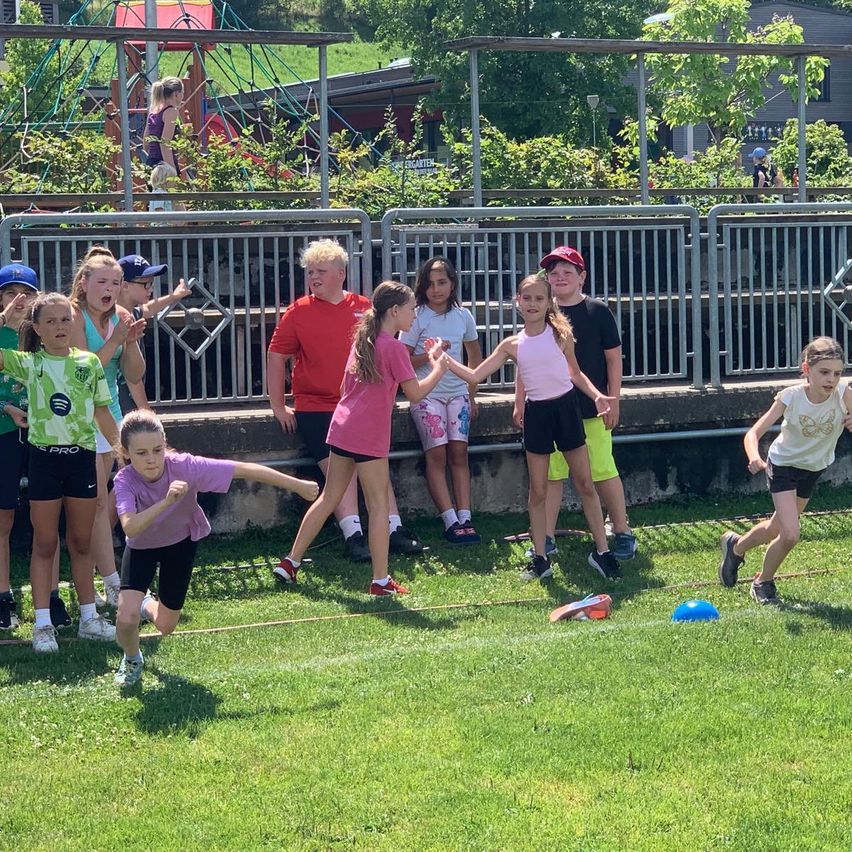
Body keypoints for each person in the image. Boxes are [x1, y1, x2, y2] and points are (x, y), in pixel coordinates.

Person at [112, 410, 319, 687]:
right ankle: (133, 658)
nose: (151, 459)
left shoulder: (185, 465)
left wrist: (297, 485)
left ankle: (147, 602)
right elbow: (130, 527)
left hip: (180, 545)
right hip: (142, 548)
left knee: (166, 626)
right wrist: (166, 502)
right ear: (126, 453)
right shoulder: (125, 480)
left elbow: (242, 469)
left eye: (157, 450)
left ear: (165, 444)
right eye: (141, 453)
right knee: (126, 618)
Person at [440, 273, 620, 582]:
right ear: (518, 302)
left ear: (549, 302)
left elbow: (575, 374)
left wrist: (599, 396)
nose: (533, 304)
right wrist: (443, 359)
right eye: (528, 298)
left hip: (566, 411)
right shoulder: (512, 344)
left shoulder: (561, 335)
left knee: (586, 484)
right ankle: (540, 558)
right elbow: (474, 376)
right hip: (537, 415)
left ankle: (601, 552)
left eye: (539, 298)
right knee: (538, 490)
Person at [274, 281, 447, 596]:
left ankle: (290, 562)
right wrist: (438, 365)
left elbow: (343, 390)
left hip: (342, 427)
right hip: (368, 435)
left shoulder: (361, 340)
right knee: (379, 504)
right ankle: (380, 580)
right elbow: (416, 392)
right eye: (410, 310)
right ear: (394, 311)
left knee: (330, 497)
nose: (413, 316)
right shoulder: (393, 347)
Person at [267, 239, 424, 562]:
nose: (313, 278)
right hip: (315, 408)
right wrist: (278, 405)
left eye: (321, 271)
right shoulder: (298, 311)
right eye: (310, 272)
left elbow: (386, 359)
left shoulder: (364, 308)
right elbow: (276, 355)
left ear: (341, 273)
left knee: (372, 477)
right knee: (345, 482)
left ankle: (393, 529)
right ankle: (354, 534)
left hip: (356, 410)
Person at [0, 292, 119, 652]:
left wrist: (121, 447)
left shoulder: (88, 363)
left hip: (81, 458)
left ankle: (89, 618)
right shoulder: (29, 364)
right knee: (45, 542)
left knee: (82, 542)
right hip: (45, 461)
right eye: (49, 321)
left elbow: (101, 411)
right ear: (35, 328)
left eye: (65, 319)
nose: (59, 327)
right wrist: (3, 318)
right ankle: (42, 625)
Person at [514, 247, 637, 565]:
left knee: (602, 472)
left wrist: (613, 399)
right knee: (551, 478)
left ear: (582, 277)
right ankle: (546, 538)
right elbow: (524, 362)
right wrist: (519, 402)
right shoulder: (542, 316)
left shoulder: (597, 311)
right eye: (554, 273)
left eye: (568, 272)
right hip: (548, 409)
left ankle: (621, 531)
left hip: (590, 411)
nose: (560, 277)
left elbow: (613, 358)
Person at [719, 337, 852, 605]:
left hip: (813, 468)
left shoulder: (844, 392)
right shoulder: (790, 396)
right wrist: (755, 456)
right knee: (790, 534)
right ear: (806, 370)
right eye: (824, 372)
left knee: (774, 528)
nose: (831, 379)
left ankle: (736, 547)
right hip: (783, 467)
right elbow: (753, 433)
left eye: (837, 373)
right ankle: (762, 582)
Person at [69, 249, 147, 607]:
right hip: (76, 418)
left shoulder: (121, 316)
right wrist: (117, 340)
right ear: (84, 284)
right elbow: (85, 372)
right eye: (102, 282)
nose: (111, 289)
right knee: (97, 503)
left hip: (110, 414)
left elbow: (133, 374)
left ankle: (106, 581)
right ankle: (111, 582)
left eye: (116, 283)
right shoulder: (71, 315)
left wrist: (129, 342)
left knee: (103, 505)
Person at [400, 257, 483, 543]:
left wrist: (472, 396)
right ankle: (449, 519)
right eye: (430, 283)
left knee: (459, 454)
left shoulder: (463, 316)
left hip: (458, 393)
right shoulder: (416, 315)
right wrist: (433, 355)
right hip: (427, 394)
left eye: (442, 282)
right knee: (436, 455)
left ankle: (465, 516)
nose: (436, 289)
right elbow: (402, 360)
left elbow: (474, 357)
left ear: (452, 284)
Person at [116, 254, 192, 413]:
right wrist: (146, 411)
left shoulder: (132, 313)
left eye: (152, 283)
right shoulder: (119, 321)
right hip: (119, 402)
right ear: (124, 286)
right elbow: (131, 379)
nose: (151, 288)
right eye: (146, 284)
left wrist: (174, 296)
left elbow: (148, 309)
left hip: (127, 402)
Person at [143, 77, 184, 175]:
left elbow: (146, 142)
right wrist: (172, 169)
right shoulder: (171, 112)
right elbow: (165, 143)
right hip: (164, 165)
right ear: (176, 94)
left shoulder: (153, 111)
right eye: (182, 92)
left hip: (151, 164)